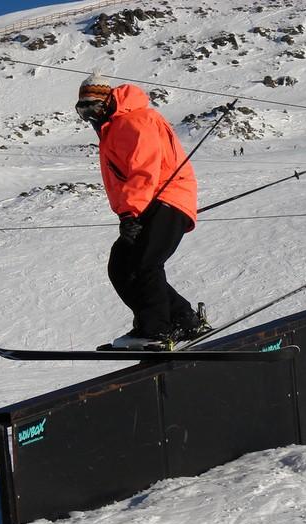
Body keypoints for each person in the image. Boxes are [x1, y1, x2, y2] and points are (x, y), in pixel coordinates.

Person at [75, 73, 208, 350]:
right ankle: (183, 319)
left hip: (166, 197)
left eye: (93, 107)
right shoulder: (115, 127)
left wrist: (129, 213)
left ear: (108, 100)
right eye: (82, 109)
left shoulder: (132, 121)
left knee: (144, 263)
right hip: (149, 202)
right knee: (121, 265)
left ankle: (156, 330)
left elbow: (143, 169)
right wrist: (130, 212)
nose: (89, 115)